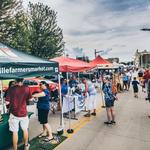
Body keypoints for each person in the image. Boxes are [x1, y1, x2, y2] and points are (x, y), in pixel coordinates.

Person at [5, 78, 32, 150]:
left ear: (15, 80)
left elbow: (7, 102)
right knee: (25, 129)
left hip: (14, 114)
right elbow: (30, 99)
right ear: (23, 80)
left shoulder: (11, 89)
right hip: (24, 113)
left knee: (15, 132)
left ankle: (15, 149)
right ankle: (26, 146)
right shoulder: (27, 88)